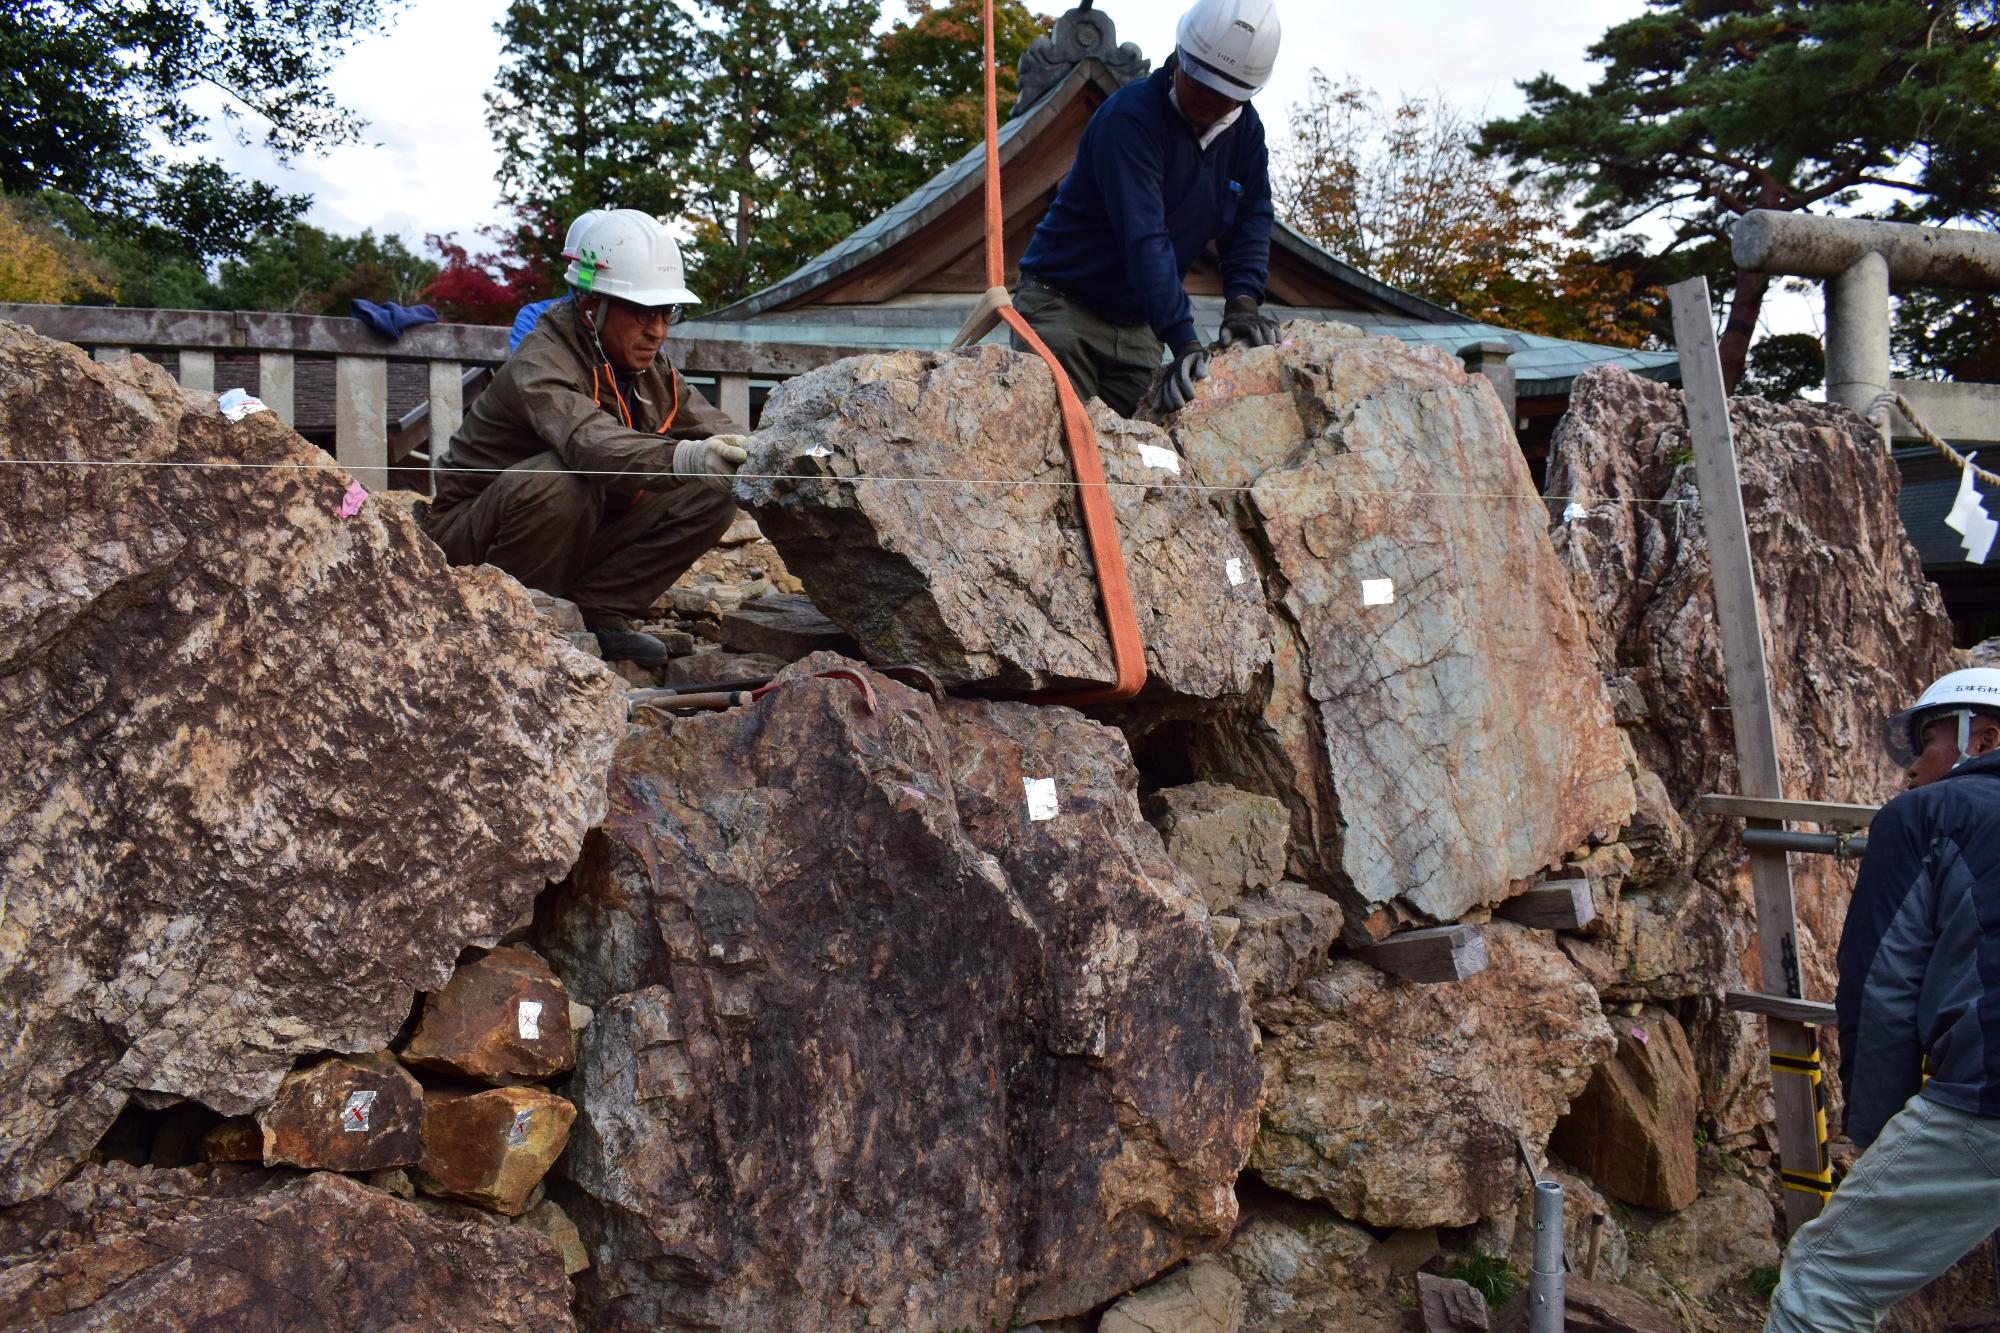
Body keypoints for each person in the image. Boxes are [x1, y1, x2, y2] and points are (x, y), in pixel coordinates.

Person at [1764, 667, 2000, 1331]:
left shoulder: (1933, 814)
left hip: (1988, 1093)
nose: (1909, 772)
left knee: (1826, 1278)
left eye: (1925, 746)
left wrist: (1877, 1129)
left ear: (1980, 737)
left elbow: (1883, 987)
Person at [424, 209, 748, 667]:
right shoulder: (540, 362)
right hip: (469, 539)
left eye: (666, 313)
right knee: (565, 479)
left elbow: (715, 427)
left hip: (571, 526)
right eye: (640, 312)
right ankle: (517, 625)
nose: (657, 330)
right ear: (590, 309)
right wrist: (689, 457)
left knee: (711, 493)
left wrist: (768, 453)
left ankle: (594, 613)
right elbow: (588, 443)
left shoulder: (646, 366)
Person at [1013, 0, 1283, 418]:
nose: (1211, 101)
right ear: (1181, 57)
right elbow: (1144, 237)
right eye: (1202, 84)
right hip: (1063, 306)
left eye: (1227, 96)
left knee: (1148, 454)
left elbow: (1251, 217)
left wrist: (1243, 301)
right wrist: (1185, 339)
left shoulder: (1245, 131)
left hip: (1139, 325)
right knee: (1066, 445)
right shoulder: (1130, 119)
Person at [508, 208, 609, 354]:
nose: (591, 277)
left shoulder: (632, 323)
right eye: (585, 268)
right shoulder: (535, 318)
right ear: (567, 265)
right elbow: (526, 372)